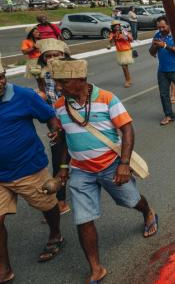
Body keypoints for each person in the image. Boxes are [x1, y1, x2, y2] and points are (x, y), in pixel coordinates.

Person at [50, 59, 157, 284]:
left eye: (63, 82)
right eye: (57, 82)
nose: (59, 87)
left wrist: (124, 164)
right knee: (83, 219)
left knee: (132, 200)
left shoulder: (107, 98)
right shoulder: (60, 105)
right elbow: (64, 139)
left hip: (111, 166)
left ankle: (148, 212)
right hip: (80, 171)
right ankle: (96, 268)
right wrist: (63, 168)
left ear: (80, 80)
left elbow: (127, 129)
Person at [0, 61, 65, 283]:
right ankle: (4, 268)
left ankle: (55, 233)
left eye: (1, 77)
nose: (0, 82)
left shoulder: (22, 95)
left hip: (28, 167)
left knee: (48, 205)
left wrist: (55, 130)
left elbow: (49, 115)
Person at [36, 39, 71, 215]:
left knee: (82, 160)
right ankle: (61, 201)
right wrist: (39, 95)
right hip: (56, 125)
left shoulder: (74, 71)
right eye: (48, 56)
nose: (52, 59)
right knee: (59, 163)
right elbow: (45, 97)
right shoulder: (43, 75)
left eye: (56, 55)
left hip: (75, 122)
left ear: (63, 55)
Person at [107, 20, 134, 88]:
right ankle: (129, 80)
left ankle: (128, 80)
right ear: (113, 27)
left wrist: (125, 36)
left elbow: (131, 39)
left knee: (124, 67)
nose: (117, 27)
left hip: (126, 50)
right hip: (120, 51)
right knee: (124, 67)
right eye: (116, 26)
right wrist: (109, 45)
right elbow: (111, 41)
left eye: (118, 25)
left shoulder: (124, 31)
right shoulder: (112, 34)